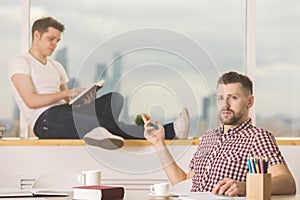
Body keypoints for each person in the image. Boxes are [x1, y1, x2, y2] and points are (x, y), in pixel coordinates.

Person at [8, 16, 190, 150]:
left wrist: (82, 100)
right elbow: (30, 100)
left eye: (58, 40)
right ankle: (169, 131)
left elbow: (67, 104)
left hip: (65, 113)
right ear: (37, 35)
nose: (55, 44)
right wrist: (65, 94)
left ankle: (97, 130)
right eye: (51, 39)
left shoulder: (56, 66)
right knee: (105, 122)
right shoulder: (21, 62)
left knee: (114, 98)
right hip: (45, 121)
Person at [143, 71, 296, 196]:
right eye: (221, 98)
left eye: (233, 98)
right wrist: (159, 143)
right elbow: (184, 183)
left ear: (249, 102)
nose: (225, 104)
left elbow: (288, 183)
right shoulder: (208, 137)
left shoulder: (257, 137)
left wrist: (245, 187)